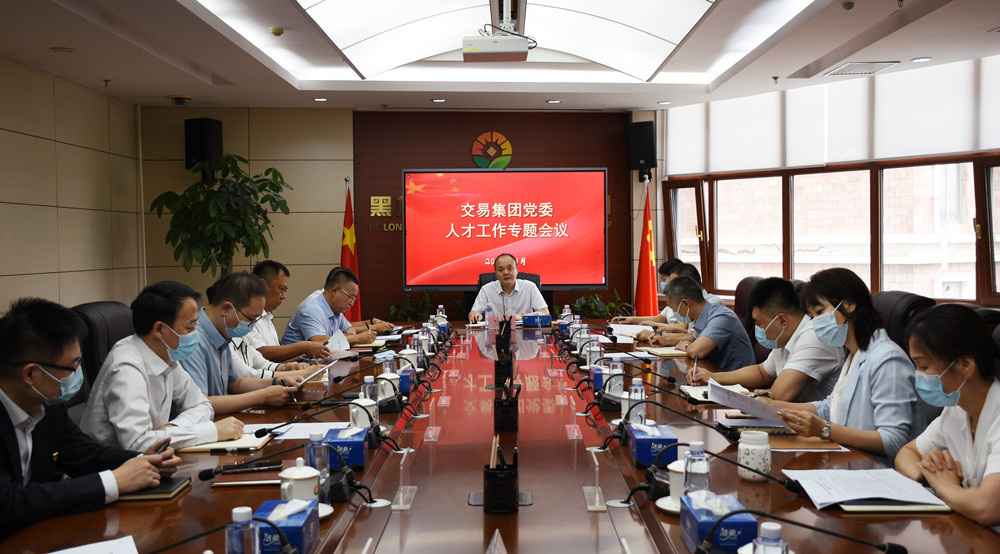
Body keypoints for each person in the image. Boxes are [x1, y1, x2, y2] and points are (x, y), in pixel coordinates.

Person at [0, 298, 181, 539]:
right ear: (31, 374)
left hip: (34, 535)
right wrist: (113, 481)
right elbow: (9, 502)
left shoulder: (46, 406)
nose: (78, 376)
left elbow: (84, 454)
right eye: (71, 368)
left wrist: (144, 461)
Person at [769, 267, 921, 461]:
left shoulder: (888, 359)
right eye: (812, 317)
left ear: (849, 304)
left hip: (875, 469)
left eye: (820, 312)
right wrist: (771, 406)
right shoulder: (855, 354)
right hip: (846, 460)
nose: (815, 323)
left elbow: (893, 441)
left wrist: (824, 429)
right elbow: (831, 408)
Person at [82, 282, 244, 451]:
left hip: (154, 459)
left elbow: (203, 405)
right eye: (190, 327)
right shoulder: (127, 369)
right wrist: (210, 432)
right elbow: (137, 444)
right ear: (160, 329)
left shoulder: (167, 355)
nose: (195, 332)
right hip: (113, 465)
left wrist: (170, 430)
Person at [895, 304, 1000, 531]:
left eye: (924, 366)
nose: (918, 376)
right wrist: (926, 472)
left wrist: (943, 486)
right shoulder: (956, 410)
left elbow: (987, 507)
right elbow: (906, 453)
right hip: (970, 532)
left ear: (965, 365)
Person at [689, 277, 844, 402]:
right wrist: (713, 377)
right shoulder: (785, 336)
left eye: (759, 324)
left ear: (782, 321)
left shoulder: (814, 336)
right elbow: (762, 373)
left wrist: (768, 393)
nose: (759, 330)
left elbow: (781, 395)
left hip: (820, 426)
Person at [183, 272, 299, 415]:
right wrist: (262, 397)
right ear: (226, 309)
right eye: (250, 318)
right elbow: (201, 403)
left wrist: (278, 382)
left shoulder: (222, 332)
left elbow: (236, 383)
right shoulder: (193, 341)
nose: (251, 325)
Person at [660, 276, 755, 371]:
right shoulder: (703, 316)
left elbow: (696, 351)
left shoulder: (722, 317)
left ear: (685, 303)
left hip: (738, 378)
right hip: (717, 373)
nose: (674, 312)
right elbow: (693, 339)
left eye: (673, 308)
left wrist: (687, 346)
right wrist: (666, 341)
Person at [243, 260, 331, 363]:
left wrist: (304, 357)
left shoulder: (267, 315)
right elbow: (260, 354)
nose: (284, 296)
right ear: (262, 285)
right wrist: (303, 347)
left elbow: (273, 362)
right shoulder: (246, 315)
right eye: (281, 289)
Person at [282, 267, 377, 347]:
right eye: (351, 297)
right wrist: (356, 338)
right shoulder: (312, 309)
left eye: (354, 299)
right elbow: (318, 342)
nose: (352, 303)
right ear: (335, 290)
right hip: (294, 362)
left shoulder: (336, 310)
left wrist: (348, 336)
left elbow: (349, 329)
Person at [628, 263, 724, 340]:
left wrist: (657, 335)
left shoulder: (711, 303)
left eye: (674, 284)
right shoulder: (688, 303)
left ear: (686, 283)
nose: (669, 287)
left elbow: (694, 338)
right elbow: (691, 334)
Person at [468, 253, 549, 323]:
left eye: (510, 268)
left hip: (525, 333)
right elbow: (472, 313)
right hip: (495, 333)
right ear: (496, 272)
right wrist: (475, 315)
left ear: (517, 269)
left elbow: (545, 313)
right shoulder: (486, 289)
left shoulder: (529, 287)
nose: (506, 272)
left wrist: (521, 317)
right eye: (501, 270)